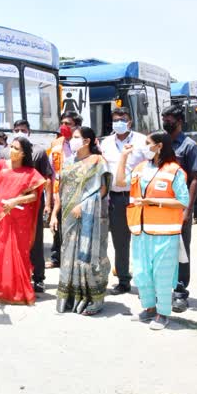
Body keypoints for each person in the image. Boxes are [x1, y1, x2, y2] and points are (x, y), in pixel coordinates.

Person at [116, 131, 190, 330]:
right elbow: (121, 182)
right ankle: (149, 308)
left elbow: (183, 201)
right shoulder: (140, 168)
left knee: (162, 274)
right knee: (142, 273)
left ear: (159, 146)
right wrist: (123, 157)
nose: (144, 146)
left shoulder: (174, 170)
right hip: (140, 231)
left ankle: (163, 313)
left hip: (165, 233)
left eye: (148, 143)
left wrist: (154, 202)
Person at [0, 137, 47, 305]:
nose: (11, 150)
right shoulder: (2, 165)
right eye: (11, 146)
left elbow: (34, 195)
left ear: (23, 153)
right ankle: (1, 289)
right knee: (0, 251)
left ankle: (19, 292)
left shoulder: (30, 172)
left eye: (15, 148)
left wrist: (15, 201)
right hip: (1, 216)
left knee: (19, 253)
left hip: (20, 219)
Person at [51, 126, 112, 315]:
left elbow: (103, 189)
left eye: (76, 137)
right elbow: (60, 190)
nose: (72, 140)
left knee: (90, 255)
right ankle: (71, 296)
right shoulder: (68, 162)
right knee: (69, 255)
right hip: (68, 217)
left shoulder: (98, 161)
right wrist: (54, 213)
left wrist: (84, 205)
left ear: (87, 141)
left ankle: (94, 299)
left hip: (91, 217)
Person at [100, 107, 147, 295]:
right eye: (115, 119)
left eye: (123, 119)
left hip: (137, 197)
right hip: (115, 197)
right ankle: (123, 280)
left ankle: (146, 280)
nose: (119, 122)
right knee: (120, 241)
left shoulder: (142, 141)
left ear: (130, 122)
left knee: (141, 239)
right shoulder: (106, 143)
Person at [161, 104, 197, 313]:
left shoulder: (188, 146)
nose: (165, 121)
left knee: (181, 249)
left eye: (168, 118)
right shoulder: (161, 142)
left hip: (179, 206)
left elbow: (194, 179)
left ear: (179, 121)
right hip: (160, 207)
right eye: (163, 117)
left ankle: (179, 292)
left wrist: (187, 209)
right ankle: (160, 289)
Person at [8, 119, 54, 293]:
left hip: (34, 203)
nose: (19, 132)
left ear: (29, 131)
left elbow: (47, 179)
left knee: (35, 242)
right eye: (17, 129)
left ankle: (39, 278)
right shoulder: (7, 152)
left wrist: (48, 203)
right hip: (13, 204)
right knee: (15, 242)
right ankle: (18, 277)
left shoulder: (39, 152)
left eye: (23, 130)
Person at [47, 111, 83, 269]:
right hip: (59, 190)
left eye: (68, 123)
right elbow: (51, 169)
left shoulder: (86, 141)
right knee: (58, 225)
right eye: (62, 123)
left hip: (79, 190)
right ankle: (57, 257)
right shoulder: (56, 144)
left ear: (77, 126)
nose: (64, 127)